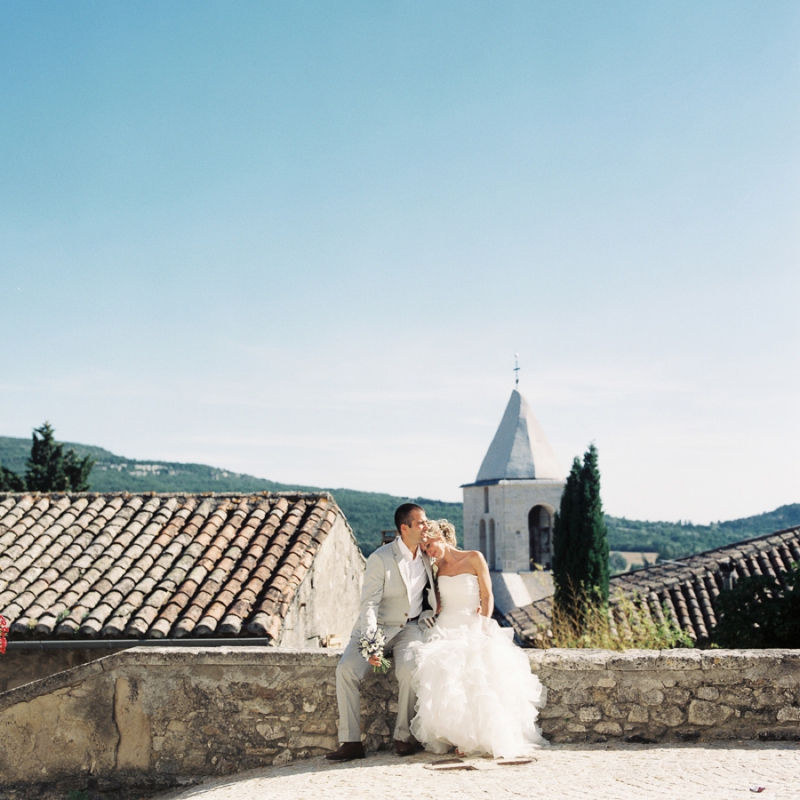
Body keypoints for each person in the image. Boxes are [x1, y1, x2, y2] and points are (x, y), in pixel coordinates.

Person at [410, 520, 547, 759]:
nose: (428, 552)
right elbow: (438, 602)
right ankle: (457, 735)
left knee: (478, 676)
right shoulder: (435, 568)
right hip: (446, 626)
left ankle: (476, 738)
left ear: (440, 537)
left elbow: (487, 593)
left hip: (473, 622)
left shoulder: (474, 557)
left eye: (429, 545)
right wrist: (432, 617)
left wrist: (484, 622)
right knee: (445, 676)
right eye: (425, 549)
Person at [326, 503, 437, 762]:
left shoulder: (427, 554)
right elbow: (369, 604)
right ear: (404, 528)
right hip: (377, 626)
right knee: (345, 670)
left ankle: (403, 736)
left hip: (409, 628)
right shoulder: (380, 558)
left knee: (409, 670)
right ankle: (351, 741)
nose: (426, 526)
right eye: (421, 523)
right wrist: (371, 642)